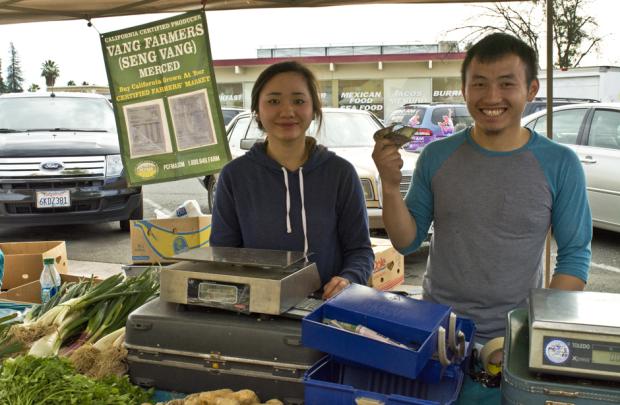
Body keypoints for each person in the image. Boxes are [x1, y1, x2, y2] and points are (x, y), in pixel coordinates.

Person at [372, 32, 592, 344]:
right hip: (439, 330)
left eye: (506, 83)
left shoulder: (560, 163)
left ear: (531, 89)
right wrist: (391, 188)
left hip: (516, 334)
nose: (491, 97)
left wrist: (534, 332)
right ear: (464, 90)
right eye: (479, 83)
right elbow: (407, 242)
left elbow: (574, 256)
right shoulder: (436, 156)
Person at [210, 61, 374, 299]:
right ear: (257, 110)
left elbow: (360, 250)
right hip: (256, 308)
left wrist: (348, 279)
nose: (287, 111)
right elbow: (223, 254)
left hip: (326, 308)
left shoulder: (341, 173)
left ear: (314, 109)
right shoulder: (235, 176)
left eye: (298, 101)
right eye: (274, 101)